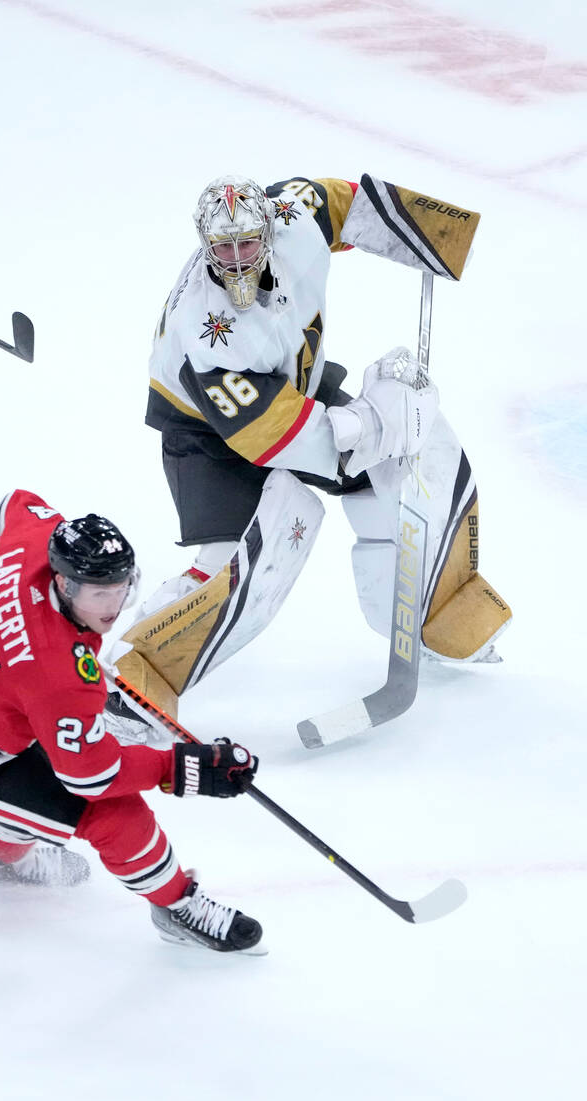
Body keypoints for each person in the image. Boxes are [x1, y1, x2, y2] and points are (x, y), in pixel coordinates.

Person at [108, 174, 512, 723]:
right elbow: (277, 436)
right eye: (220, 248)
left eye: (246, 242)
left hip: (291, 385)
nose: (234, 259)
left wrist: (428, 230)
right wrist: (373, 423)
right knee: (248, 559)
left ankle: (439, 611)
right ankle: (137, 678)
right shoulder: (207, 334)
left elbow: (347, 202)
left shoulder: (295, 216)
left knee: (411, 459)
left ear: (269, 227)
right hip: (207, 432)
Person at [0, 487, 266, 954]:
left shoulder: (38, 535)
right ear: (65, 584)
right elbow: (94, 775)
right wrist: (184, 767)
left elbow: (14, 501)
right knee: (113, 814)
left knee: (38, 804)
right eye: (99, 594)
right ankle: (176, 908)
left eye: (121, 588)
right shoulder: (59, 678)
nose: (113, 606)